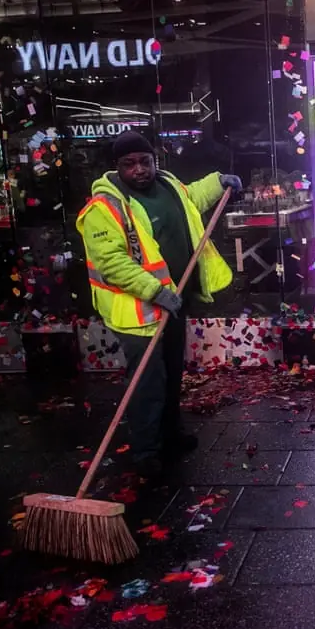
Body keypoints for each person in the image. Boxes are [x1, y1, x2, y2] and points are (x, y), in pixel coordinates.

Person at [77, 131, 241, 476]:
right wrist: (154, 291)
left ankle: (170, 435)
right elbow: (113, 262)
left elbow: (192, 198)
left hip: (174, 302)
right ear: (116, 167)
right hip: (140, 312)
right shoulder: (103, 209)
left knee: (171, 377)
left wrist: (217, 182)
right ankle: (145, 451)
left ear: (155, 161)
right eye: (129, 164)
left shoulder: (168, 186)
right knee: (147, 384)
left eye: (145, 161)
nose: (139, 169)